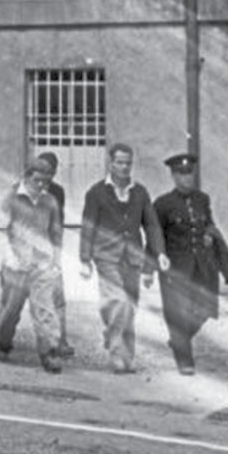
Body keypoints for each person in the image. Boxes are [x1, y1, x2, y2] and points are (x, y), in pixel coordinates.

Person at [78, 142, 169, 374]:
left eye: (128, 163)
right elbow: (88, 226)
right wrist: (85, 259)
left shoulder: (140, 192)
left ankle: (124, 353)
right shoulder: (96, 192)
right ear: (110, 163)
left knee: (129, 307)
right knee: (119, 302)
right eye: (119, 162)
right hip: (106, 256)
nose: (124, 167)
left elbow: (151, 225)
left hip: (133, 258)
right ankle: (117, 353)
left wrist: (159, 254)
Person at [154, 152, 228, 376]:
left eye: (189, 173)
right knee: (178, 313)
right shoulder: (162, 204)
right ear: (173, 176)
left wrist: (209, 234)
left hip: (201, 265)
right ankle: (184, 360)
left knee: (206, 309)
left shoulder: (202, 199)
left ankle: (179, 340)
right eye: (181, 174)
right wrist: (151, 265)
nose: (186, 179)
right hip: (175, 268)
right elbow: (155, 235)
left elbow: (208, 223)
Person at [0, 158, 65, 373]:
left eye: (46, 182)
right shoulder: (11, 198)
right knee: (10, 310)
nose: (41, 186)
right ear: (26, 177)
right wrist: (9, 258)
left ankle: (49, 352)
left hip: (41, 265)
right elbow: (0, 230)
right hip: (16, 264)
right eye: (37, 181)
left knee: (45, 310)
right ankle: (2, 344)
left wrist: (56, 262)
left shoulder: (50, 201)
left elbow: (56, 234)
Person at [34, 151, 74, 357]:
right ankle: (2, 341)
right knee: (14, 301)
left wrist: (57, 252)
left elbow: (58, 223)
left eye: (50, 172)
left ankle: (60, 340)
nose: (45, 177)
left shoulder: (58, 192)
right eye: (41, 171)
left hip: (50, 249)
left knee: (58, 296)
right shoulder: (23, 188)